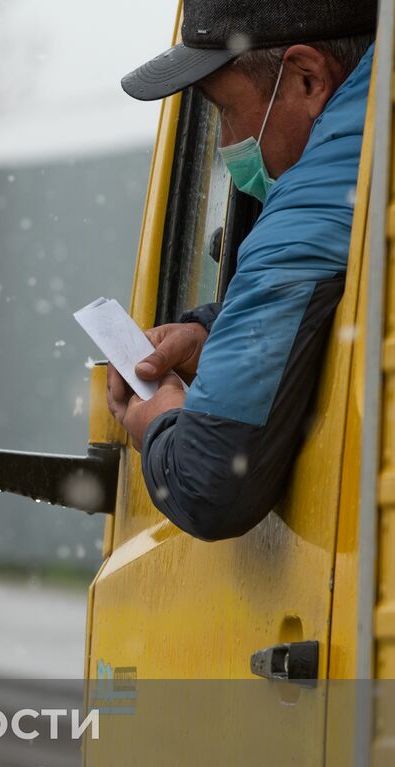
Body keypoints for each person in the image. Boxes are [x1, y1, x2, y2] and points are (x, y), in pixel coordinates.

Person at [107, 0, 376, 540]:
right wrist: (214, 331)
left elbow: (208, 485)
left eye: (226, 110)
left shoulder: (313, 206)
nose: (228, 144)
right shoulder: (368, 159)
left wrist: (158, 419)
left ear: (307, 79)